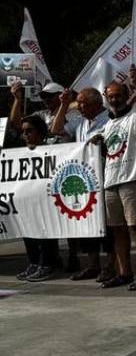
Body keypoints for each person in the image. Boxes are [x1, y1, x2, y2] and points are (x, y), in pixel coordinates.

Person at [96, 67, 136, 290]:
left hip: (134, 178)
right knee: (117, 229)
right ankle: (124, 272)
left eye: (118, 95)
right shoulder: (106, 125)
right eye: (111, 96)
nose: (114, 99)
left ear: (126, 96)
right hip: (111, 182)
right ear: (106, 98)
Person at [51, 87, 114, 280]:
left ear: (96, 104)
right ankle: (93, 264)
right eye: (77, 103)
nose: (78, 107)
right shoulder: (80, 123)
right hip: (85, 182)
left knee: (109, 226)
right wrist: (63, 104)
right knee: (88, 225)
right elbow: (55, 129)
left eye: (82, 103)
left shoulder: (109, 119)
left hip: (105, 178)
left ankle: (111, 265)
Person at [15, 115, 61, 281]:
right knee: (28, 231)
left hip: (46, 200)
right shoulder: (19, 154)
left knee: (45, 231)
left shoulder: (53, 150)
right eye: (23, 132)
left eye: (30, 131)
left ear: (40, 132)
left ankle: (48, 264)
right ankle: (34, 262)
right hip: (27, 200)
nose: (26, 135)